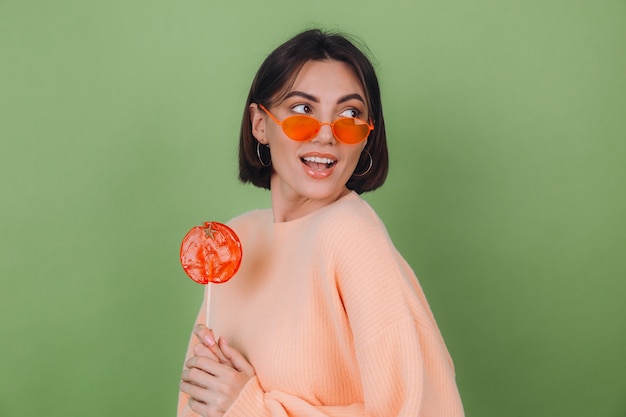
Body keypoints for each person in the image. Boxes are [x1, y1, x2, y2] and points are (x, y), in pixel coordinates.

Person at [177, 28, 464, 417]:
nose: (327, 136)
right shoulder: (236, 240)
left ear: (366, 136)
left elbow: (422, 408)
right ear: (260, 124)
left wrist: (248, 407)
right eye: (302, 111)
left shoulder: (350, 234)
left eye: (349, 115)